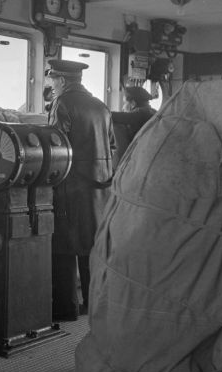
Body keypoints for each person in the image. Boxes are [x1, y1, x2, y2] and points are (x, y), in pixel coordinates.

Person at [46, 59, 116, 321]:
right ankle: (93, 302)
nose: (51, 85)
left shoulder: (63, 103)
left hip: (71, 187)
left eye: (53, 80)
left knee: (63, 247)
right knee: (91, 247)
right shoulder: (101, 106)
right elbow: (112, 147)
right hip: (100, 188)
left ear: (62, 80)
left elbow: (56, 146)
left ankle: (66, 308)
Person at [111, 86, 157, 166]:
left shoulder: (142, 113)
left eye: (125, 103)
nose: (123, 107)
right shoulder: (153, 112)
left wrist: (101, 112)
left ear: (133, 103)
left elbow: (118, 117)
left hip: (143, 159)